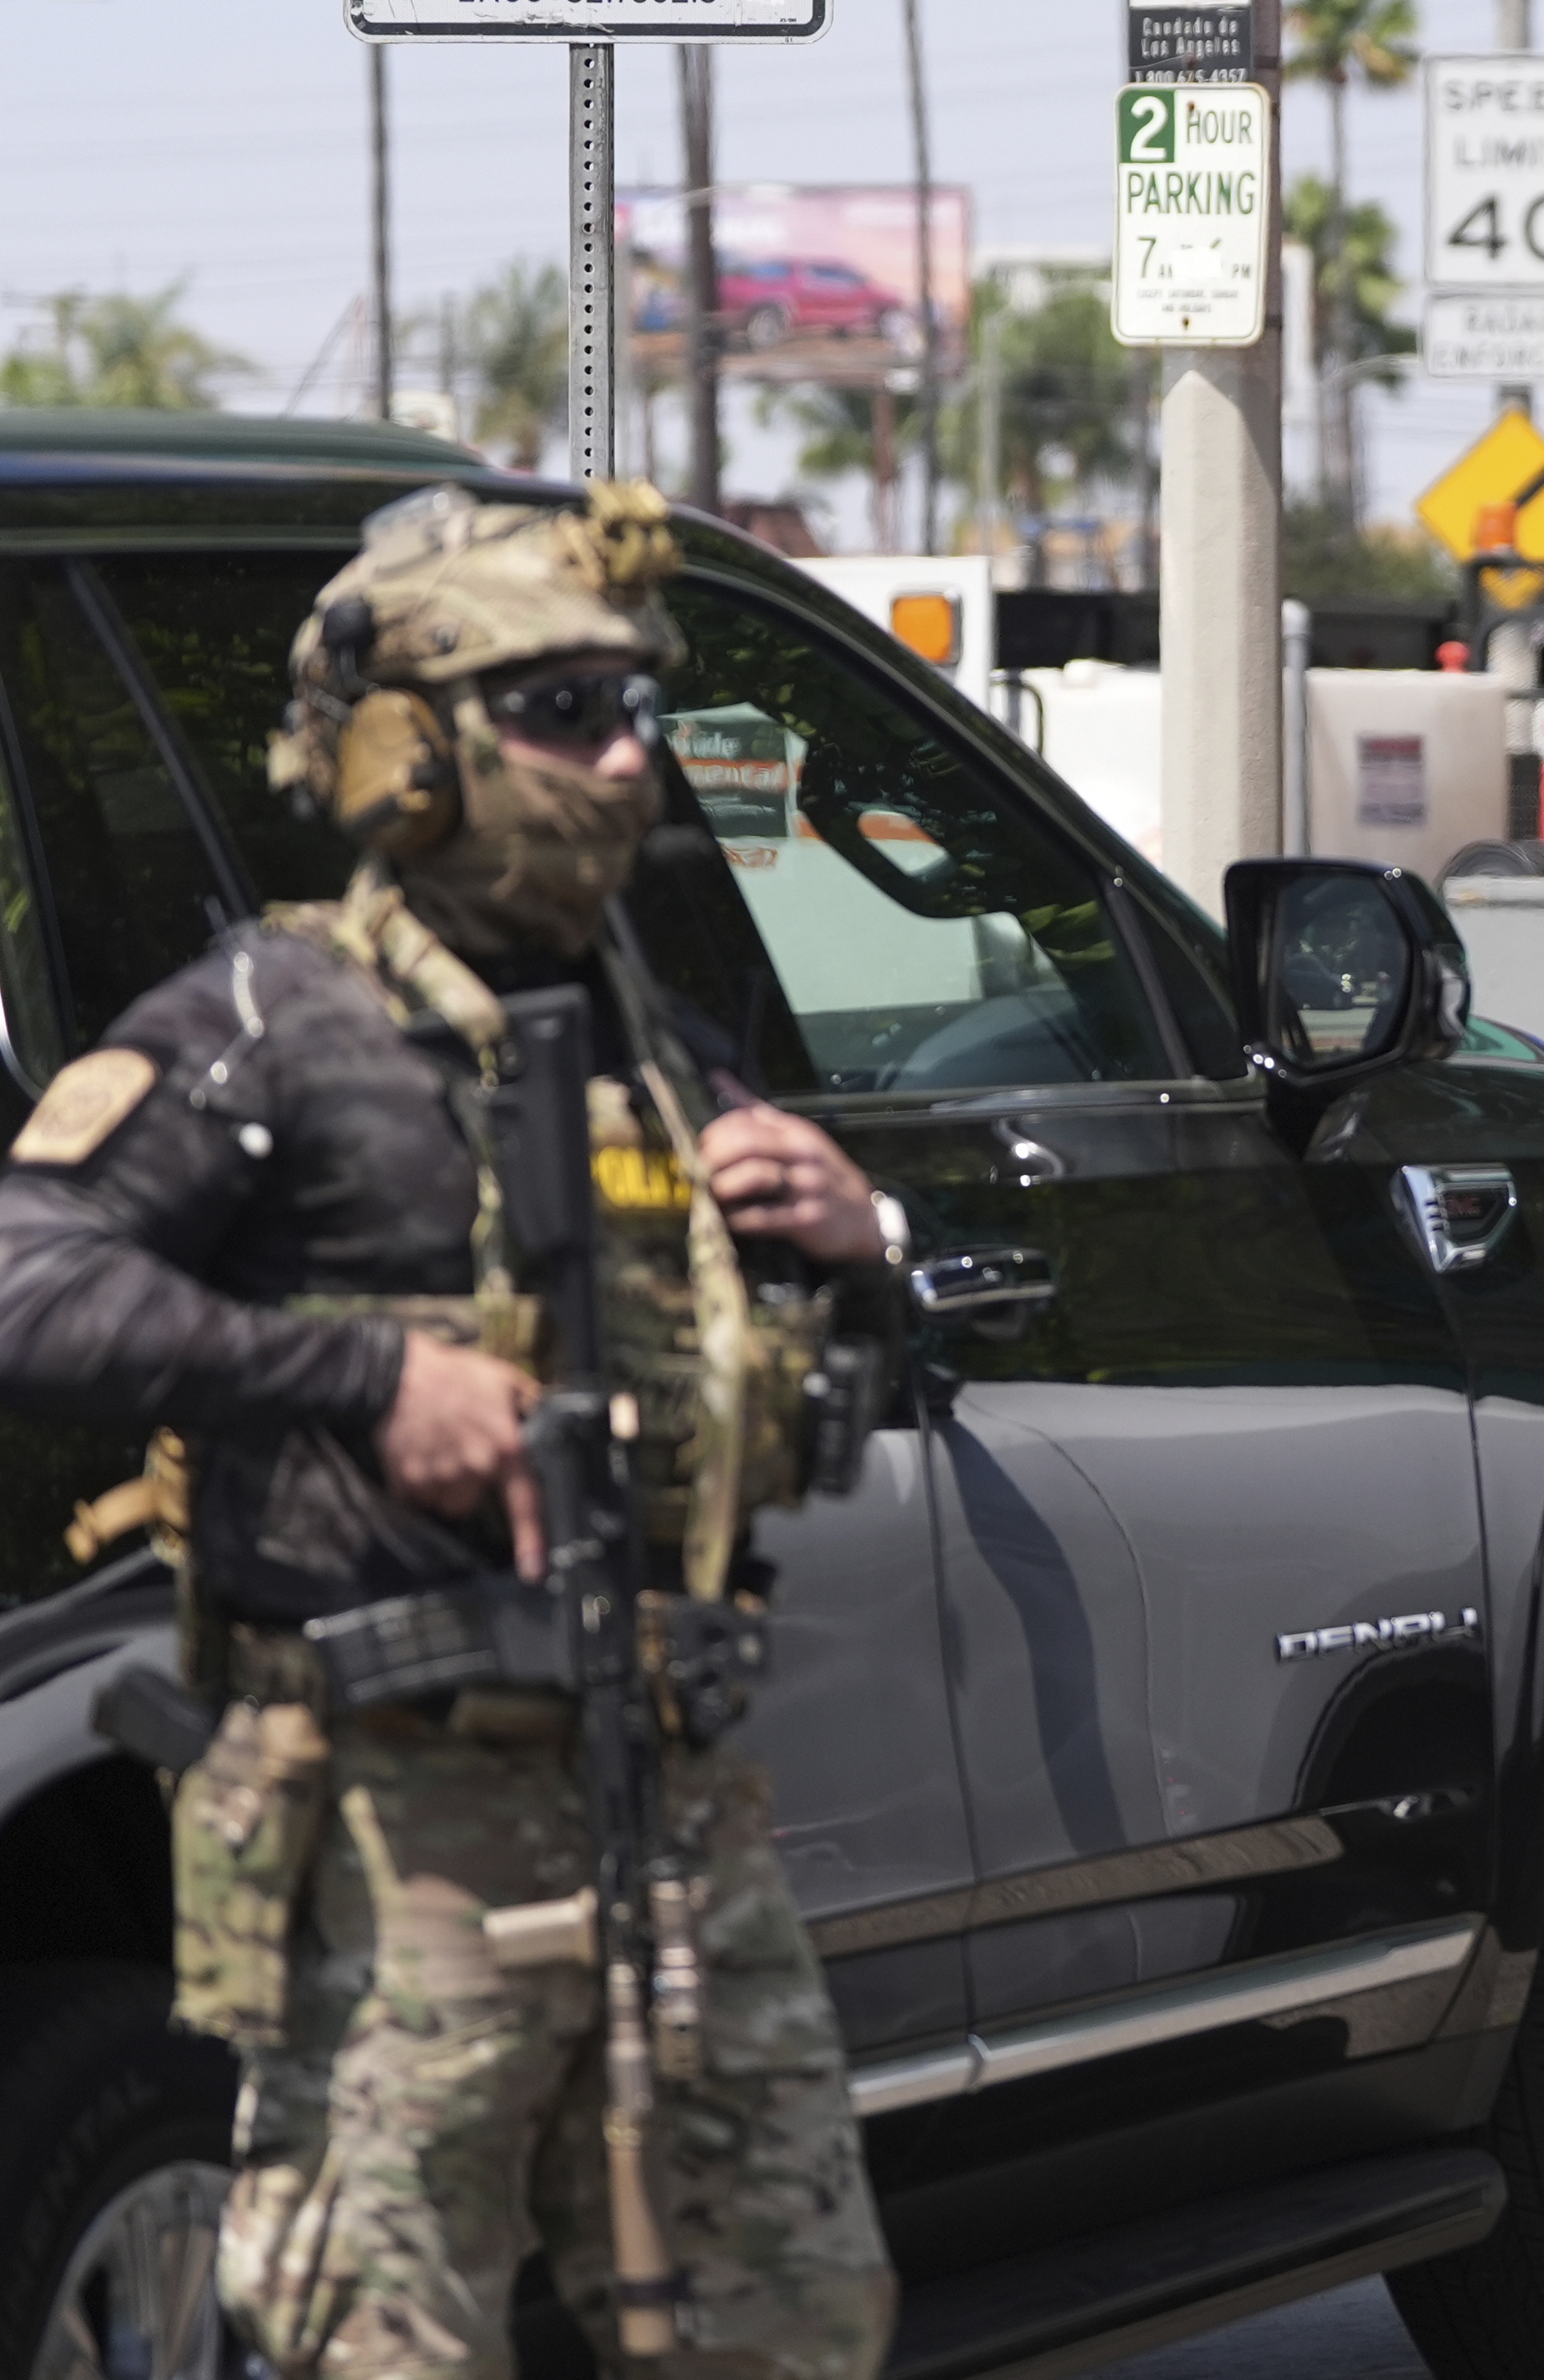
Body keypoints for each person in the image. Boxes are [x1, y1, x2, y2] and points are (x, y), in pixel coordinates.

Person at [0, 482, 898, 2380]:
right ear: (412, 749)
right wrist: (366, 1380)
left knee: (791, 2327)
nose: (621, 757)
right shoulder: (275, 1019)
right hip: (401, 1836)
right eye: (563, 708)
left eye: (637, 708)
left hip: (671, 1808)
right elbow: (23, 1277)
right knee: (380, 2345)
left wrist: (858, 1238)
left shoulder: (661, 1037)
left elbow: (810, 1367)